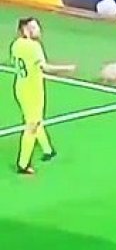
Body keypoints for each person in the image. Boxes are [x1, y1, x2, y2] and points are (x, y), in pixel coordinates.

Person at [10, 18, 76, 175]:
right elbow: (44, 67)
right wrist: (67, 69)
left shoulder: (16, 44)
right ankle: (23, 164)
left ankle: (48, 150)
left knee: (35, 119)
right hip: (33, 90)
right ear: (25, 30)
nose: (38, 30)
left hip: (20, 87)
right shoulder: (34, 47)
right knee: (32, 125)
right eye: (33, 27)